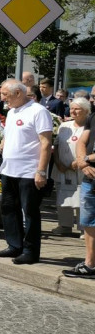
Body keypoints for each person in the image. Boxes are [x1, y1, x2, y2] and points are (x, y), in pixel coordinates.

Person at [0, 79, 53, 266]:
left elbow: (46, 143)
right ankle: (14, 245)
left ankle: (30, 251)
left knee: (30, 212)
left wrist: (41, 171)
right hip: (9, 169)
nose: (3, 99)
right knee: (9, 208)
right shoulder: (12, 112)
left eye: (5, 95)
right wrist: (4, 143)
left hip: (29, 171)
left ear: (18, 93)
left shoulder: (38, 111)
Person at [53, 98, 90, 236]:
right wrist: (58, 163)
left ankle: (83, 229)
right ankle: (64, 225)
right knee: (62, 196)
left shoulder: (89, 127)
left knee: (82, 198)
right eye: (72, 108)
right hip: (61, 168)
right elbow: (56, 146)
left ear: (86, 111)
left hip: (81, 169)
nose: (73, 111)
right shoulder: (64, 126)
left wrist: (77, 162)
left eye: (77, 109)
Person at [67, 105, 95, 278]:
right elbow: (81, 142)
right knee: (88, 221)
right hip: (89, 177)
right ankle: (90, 264)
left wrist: (84, 159)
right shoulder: (93, 117)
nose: (92, 99)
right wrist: (83, 162)